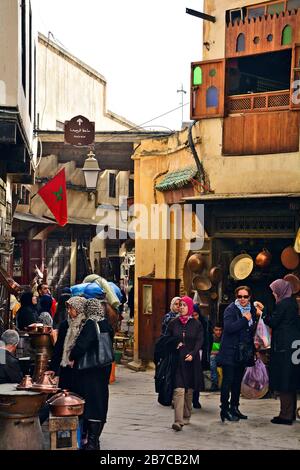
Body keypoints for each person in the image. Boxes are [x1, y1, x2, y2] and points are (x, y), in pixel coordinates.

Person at [69, 298, 114, 449]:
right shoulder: (105, 323)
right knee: (100, 401)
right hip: (103, 368)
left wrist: (72, 354)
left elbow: (82, 346)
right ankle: (95, 438)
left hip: (90, 370)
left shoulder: (90, 324)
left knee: (91, 402)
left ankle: (91, 440)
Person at [217, 286, 259, 422]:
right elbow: (229, 328)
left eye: (245, 296)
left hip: (242, 352)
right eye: (240, 296)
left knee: (237, 382)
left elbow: (251, 330)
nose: (242, 299)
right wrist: (244, 319)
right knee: (228, 381)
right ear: (236, 297)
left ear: (249, 297)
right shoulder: (230, 309)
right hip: (229, 352)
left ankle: (235, 408)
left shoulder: (251, 309)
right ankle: (224, 409)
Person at [263, 279, 300, 425]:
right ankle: (289, 413)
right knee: (290, 379)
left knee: (284, 380)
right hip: (293, 345)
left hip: (284, 346)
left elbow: (273, 321)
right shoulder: (292, 303)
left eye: (274, 290)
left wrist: (263, 313)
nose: (273, 293)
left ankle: (285, 416)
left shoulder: (283, 304)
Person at [166, 296, 203, 431]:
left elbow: (200, 341)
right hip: (178, 361)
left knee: (189, 390)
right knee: (179, 389)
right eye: (180, 305)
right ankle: (178, 420)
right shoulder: (173, 323)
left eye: (184, 305)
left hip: (191, 362)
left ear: (190, 307)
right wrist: (175, 343)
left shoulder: (196, 324)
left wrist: (193, 354)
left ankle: (187, 414)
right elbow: (166, 339)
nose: (181, 307)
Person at [210, 324, 223, 392]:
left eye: (220, 330)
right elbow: (210, 351)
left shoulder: (224, 337)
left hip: (223, 357)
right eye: (216, 330)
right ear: (213, 330)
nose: (218, 332)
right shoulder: (211, 337)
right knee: (212, 358)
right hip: (215, 357)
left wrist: (216, 352)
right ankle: (214, 383)